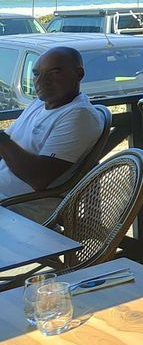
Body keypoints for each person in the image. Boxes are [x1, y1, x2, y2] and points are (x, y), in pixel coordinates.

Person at [0, 47, 105, 220]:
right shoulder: (38, 104)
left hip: (20, 210)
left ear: (78, 74)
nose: (41, 81)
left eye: (54, 73)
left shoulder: (79, 116)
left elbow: (39, 178)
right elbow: (7, 145)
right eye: (36, 74)